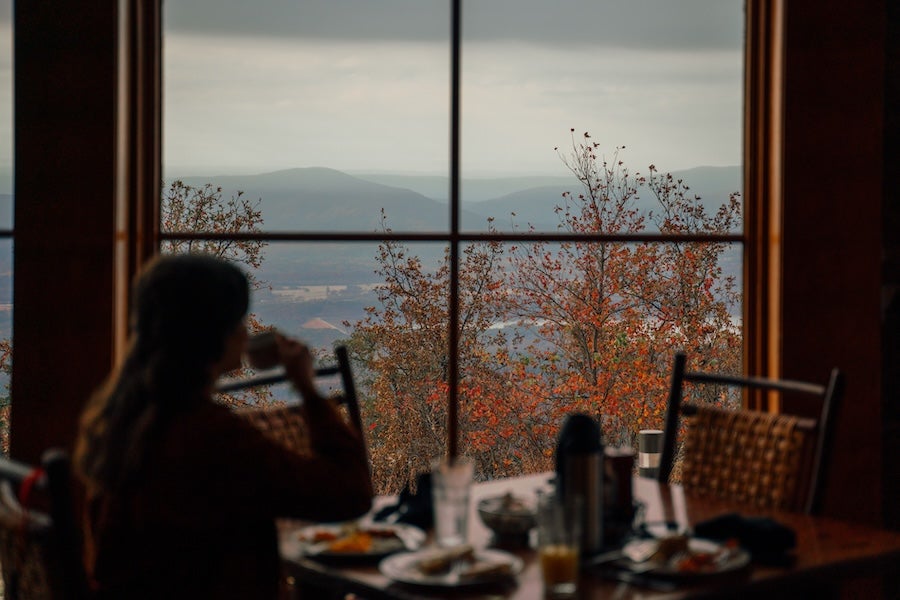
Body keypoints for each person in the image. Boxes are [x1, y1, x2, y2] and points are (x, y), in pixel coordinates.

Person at [74, 253, 373, 599]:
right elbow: (348, 494)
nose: (246, 333)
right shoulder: (209, 436)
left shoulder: (118, 418)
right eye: (238, 322)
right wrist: (307, 388)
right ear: (211, 335)